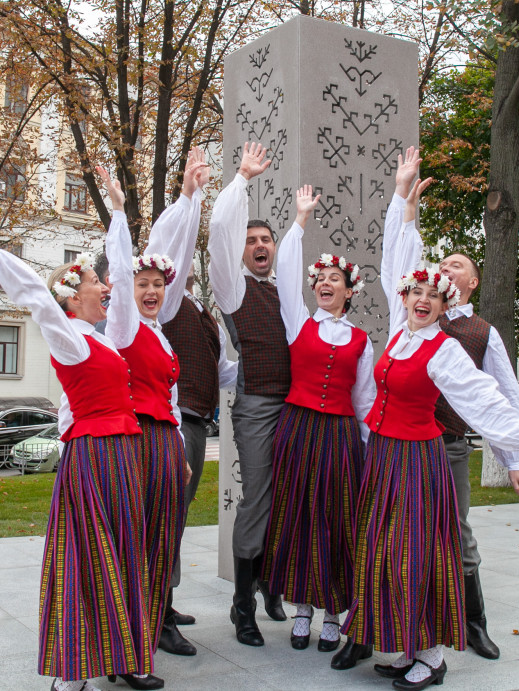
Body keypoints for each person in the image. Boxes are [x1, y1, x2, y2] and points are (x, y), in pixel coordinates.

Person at [332, 151, 519, 690]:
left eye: (432, 295)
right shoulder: (400, 333)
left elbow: (485, 397)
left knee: (418, 554)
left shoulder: (444, 350)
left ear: (447, 305)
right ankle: (407, 646)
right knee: (381, 551)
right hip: (386, 457)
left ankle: (434, 657)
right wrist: (401, 199)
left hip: (421, 461)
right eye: (415, 292)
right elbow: (397, 252)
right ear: (405, 298)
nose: (422, 298)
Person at [0, 221, 151, 691]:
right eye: (93, 282)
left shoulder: (101, 338)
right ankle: (74, 666)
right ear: (69, 296)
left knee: (124, 551)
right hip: (95, 457)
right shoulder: (68, 336)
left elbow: (122, 279)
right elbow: (31, 291)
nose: (104, 287)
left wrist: (122, 215)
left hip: (122, 452)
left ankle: (120, 654)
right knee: (86, 556)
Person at [97, 158, 204, 680]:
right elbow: (117, 270)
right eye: (142, 283)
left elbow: (171, 394)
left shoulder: (159, 334)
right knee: (131, 542)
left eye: (158, 284)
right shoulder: (122, 326)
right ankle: (123, 649)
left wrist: (182, 456)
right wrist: (119, 212)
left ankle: (153, 626)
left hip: (164, 445)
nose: (151, 291)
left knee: (163, 537)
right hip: (133, 442)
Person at [260, 185, 375, 653]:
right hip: (298, 429)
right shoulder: (298, 322)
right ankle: (302, 608)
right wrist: (300, 219)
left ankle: (333, 612)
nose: (324, 283)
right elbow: (286, 274)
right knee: (298, 516)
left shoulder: (362, 340)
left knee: (335, 519)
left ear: (349, 292)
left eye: (334, 279)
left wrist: (370, 449)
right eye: (320, 278)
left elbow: (365, 400)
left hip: (340, 436)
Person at [143, 150, 239, 653]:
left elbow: (226, 370)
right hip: (171, 423)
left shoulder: (202, 314)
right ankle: (156, 614)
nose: (179, 277)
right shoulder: (169, 306)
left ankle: (164, 597)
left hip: (198, 422)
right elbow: (169, 247)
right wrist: (189, 195)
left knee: (175, 516)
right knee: (162, 516)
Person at [432, 237, 519, 662]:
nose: (448, 268)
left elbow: (505, 396)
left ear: (472, 282)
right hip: (406, 446)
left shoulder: (483, 333)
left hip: (451, 447)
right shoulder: (421, 319)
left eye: (456, 265)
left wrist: (514, 461)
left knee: (458, 533)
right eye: (442, 263)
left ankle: (475, 624)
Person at [209, 142, 290, 646]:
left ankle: (271, 583)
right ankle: (242, 606)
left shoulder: (287, 292)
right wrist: (241, 179)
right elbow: (219, 229)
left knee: (287, 498)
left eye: (267, 239)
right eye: (252, 239)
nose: (260, 244)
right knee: (257, 500)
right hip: (258, 406)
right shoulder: (235, 289)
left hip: (296, 408)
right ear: (242, 250)